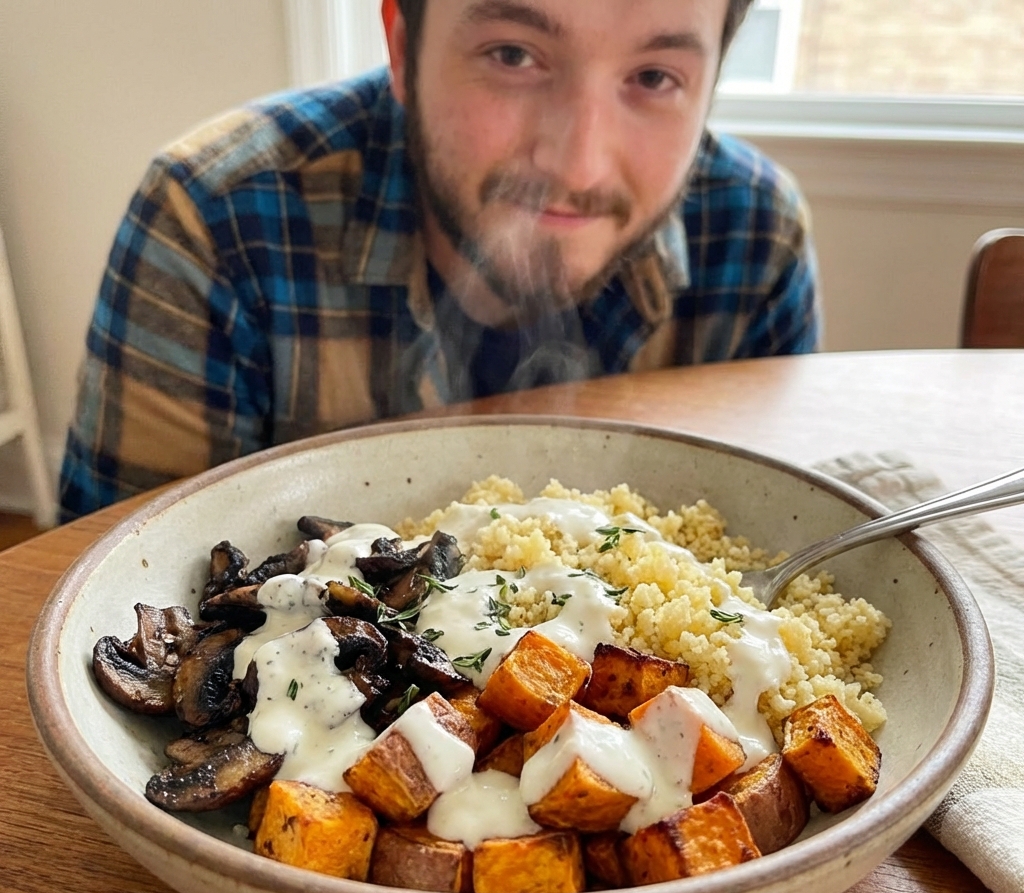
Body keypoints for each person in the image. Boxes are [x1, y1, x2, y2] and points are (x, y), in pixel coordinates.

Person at [58, 0, 820, 521]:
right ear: (401, 45)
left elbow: (781, 532)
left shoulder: (755, 235)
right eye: (513, 55)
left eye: (654, 77)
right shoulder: (217, 216)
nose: (578, 163)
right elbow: (115, 589)